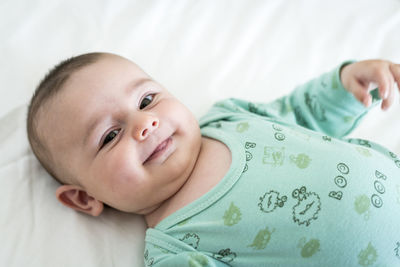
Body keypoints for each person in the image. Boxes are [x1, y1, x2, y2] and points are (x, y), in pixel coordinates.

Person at [27, 52, 400, 266]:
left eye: (146, 100)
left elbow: (300, 113)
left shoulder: (227, 118)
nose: (145, 124)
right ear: (84, 197)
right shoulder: (174, 250)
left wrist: (343, 87)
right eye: (109, 136)